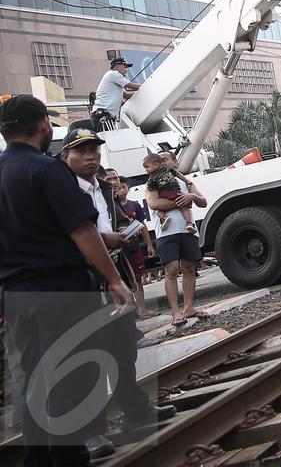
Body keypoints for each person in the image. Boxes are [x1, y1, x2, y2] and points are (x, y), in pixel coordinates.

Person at [0, 95, 132, 466]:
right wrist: (114, 280)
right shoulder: (47, 170)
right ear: (44, 125)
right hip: (61, 291)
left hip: (17, 296)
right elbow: (82, 230)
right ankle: (69, 457)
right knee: (70, 379)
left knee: (34, 381)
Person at [58, 129, 176, 458]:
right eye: (81, 150)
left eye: (94, 148)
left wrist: (124, 232)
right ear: (66, 155)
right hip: (83, 280)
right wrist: (103, 239)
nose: (90, 155)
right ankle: (90, 432)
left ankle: (136, 409)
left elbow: (115, 219)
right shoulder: (62, 189)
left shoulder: (106, 188)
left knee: (123, 348)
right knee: (87, 356)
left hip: (115, 272)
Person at [143, 153, 207, 326]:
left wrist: (191, 197)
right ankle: (175, 313)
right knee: (171, 270)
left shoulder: (185, 182)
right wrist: (182, 202)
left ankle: (189, 308)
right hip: (166, 233)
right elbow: (154, 204)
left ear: (174, 161)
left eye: (165, 160)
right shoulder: (154, 181)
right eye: (160, 160)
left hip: (188, 231)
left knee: (189, 267)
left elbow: (203, 201)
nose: (162, 163)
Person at [114, 180, 156, 316]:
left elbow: (142, 225)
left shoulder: (134, 205)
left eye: (123, 187)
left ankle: (142, 309)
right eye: (119, 188)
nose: (121, 190)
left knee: (138, 278)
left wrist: (149, 244)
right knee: (121, 279)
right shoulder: (112, 206)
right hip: (119, 249)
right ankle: (128, 311)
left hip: (134, 247)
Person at [90, 58, 142, 132]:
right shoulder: (113, 74)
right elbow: (130, 86)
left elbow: (126, 95)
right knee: (107, 139)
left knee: (109, 139)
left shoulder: (115, 82)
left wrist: (141, 92)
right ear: (117, 66)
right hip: (102, 115)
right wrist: (147, 86)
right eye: (124, 66)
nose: (126, 70)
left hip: (104, 115)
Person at [145, 162, 195, 235]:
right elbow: (178, 174)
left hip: (165, 194)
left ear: (155, 165)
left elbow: (150, 187)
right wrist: (187, 181)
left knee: (158, 210)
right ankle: (189, 223)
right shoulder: (168, 169)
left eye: (147, 167)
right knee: (184, 208)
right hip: (176, 192)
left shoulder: (152, 178)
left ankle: (164, 217)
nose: (146, 170)